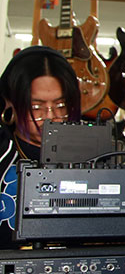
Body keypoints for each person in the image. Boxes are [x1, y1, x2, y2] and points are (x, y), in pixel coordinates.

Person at [0, 46, 82, 239]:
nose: (50, 116)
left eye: (60, 105)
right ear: (9, 104)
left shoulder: (93, 153)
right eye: (36, 107)